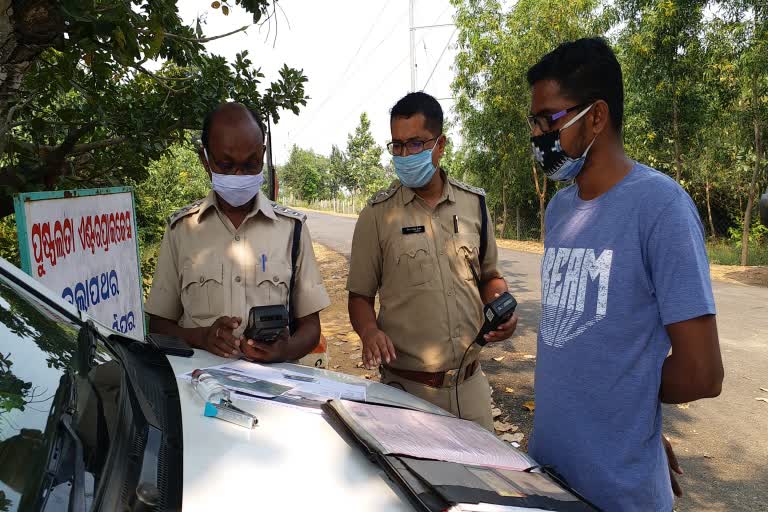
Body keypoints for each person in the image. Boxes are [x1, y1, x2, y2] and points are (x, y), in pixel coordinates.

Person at [525, 38, 724, 511]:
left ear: (596, 116)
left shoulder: (661, 207)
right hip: (549, 475)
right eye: (533, 122)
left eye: (547, 120)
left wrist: (631, 414)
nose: (537, 136)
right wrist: (625, 416)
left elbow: (702, 373)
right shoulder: (559, 210)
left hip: (619, 496)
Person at [346, 92, 519, 431]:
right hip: (407, 395)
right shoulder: (378, 215)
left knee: (480, 482)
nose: (404, 155)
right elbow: (359, 297)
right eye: (397, 145)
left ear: (440, 145)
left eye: (414, 144)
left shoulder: (474, 205)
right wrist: (368, 331)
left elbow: (490, 276)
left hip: (470, 389)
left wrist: (501, 306)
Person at [145, 102, 330, 362]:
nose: (239, 175)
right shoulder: (181, 230)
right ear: (205, 159)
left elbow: (311, 327)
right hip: (200, 388)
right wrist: (202, 337)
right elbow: (158, 326)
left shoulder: (291, 229)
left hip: (272, 389)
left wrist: (284, 351)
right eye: (226, 164)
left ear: (263, 155)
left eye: (251, 164)